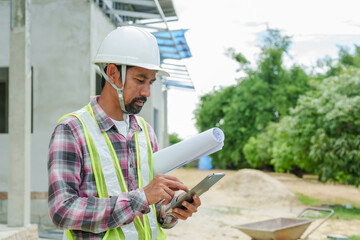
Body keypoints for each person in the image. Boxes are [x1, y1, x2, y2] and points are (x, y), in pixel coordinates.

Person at [47, 26, 201, 240]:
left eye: (151, 82)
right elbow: (62, 211)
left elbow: (152, 212)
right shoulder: (72, 130)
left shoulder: (145, 132)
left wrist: (173, 210)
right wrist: (140, 198)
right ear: (112, 73)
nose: (147, 92)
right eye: (140, 80)